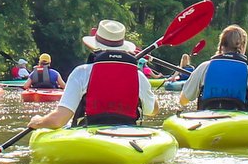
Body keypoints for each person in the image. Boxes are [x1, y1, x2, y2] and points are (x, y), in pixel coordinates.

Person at [29, 20, 157, 131]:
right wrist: (151, 96)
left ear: (94, 47)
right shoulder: (139, 76)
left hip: (89, 134)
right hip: (128, 136)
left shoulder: (81, 72)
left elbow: (59, 120)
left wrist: (39, 121)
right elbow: (152, 111)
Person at [178, 25, 248, 112]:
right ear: (242, 46)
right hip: (239, 122)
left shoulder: (204, 68)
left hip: (207, 120)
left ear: (221, 45)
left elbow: (183, 100)